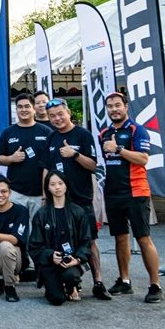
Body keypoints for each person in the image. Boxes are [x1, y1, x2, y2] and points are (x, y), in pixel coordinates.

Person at [44, 98, 112, 300]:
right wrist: (44, 196)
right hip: (58, 200)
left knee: (89, 241)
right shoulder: (51, 138)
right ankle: (71, 282)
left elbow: (93, 165)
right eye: (52, 116)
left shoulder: (82, 135)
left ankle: (98, 282)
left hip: (81, 199)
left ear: (68, 113)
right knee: (59, 239)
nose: (57, 118)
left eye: (60, 114)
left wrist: (74, 154)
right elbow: (46, 169)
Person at [100, 92, 164, 303]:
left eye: (118, 105)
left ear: (126, 107)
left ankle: (155, 285)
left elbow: (143, 159)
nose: (114, 109)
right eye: (110, 106)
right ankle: (124, 281)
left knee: (143, 238)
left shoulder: (137, 130)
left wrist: (118, 149)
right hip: (113, 193)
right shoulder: (104, 133)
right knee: (120, 237)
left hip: (136, 191)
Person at [28, 171, 92, 305]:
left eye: (60, 183)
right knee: (57, 299)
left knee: (71, 276)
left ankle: (72, 286)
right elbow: (34, 245)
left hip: (71, 260)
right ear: (48, 188)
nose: (57, 187)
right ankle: (52, 285)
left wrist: (77, 259)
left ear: (66, 186)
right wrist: (50, 255)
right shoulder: (41, 214)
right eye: (52, 184)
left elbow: (86, 241)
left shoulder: (78, 212)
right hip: (50, 263)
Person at [0, 93, 53, 234]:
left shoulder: (46, 132)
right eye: (20, 107)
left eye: (27, 106)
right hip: (16, 192)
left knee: (38, 233)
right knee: (15, 231)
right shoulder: (8, 132)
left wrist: (46, 194)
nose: (24, 110)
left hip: (40, 194)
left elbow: (52, 162)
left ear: (34, 108)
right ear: (16, 110)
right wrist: (11, 158)